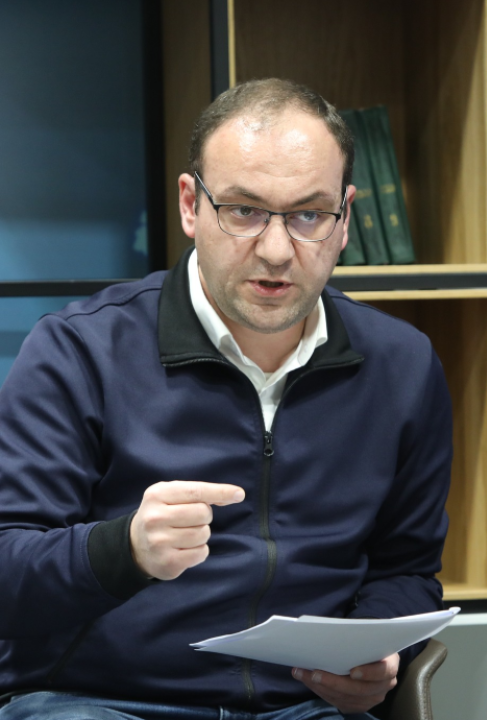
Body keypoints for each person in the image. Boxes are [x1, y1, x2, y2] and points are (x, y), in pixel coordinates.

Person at [0, 78, 452, 719]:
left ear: (345, 218)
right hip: (102, 701)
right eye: (244, 211)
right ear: (192, 206)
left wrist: (376, 655)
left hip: (302, 707)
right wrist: (124, 550)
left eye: (309, 216)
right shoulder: (81, 351)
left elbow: (407, 570)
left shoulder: (402, 365)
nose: (277, 250)